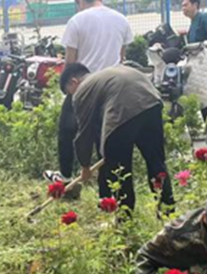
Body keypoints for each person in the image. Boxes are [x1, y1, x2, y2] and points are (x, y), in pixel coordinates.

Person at [43, 0, 133, 199]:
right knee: (105, 141)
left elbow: (71, 63)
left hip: (84, 87)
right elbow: (121, 58)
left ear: (80, 2)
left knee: (67, 132)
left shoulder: (77, 21)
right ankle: (110, 193)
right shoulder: (121, 19)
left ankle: (66, 178)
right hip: (112, 88)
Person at [63, 63, 174, 212]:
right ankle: (168, 212)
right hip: (151, 103)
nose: (72, 97)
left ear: (74, 81)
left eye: (69, 92)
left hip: (123, 110)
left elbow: (85, 133)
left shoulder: (82, 90)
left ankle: (125, 218)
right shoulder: (107, 74)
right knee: (156, 162)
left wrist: (85, 167)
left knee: (119, 170)